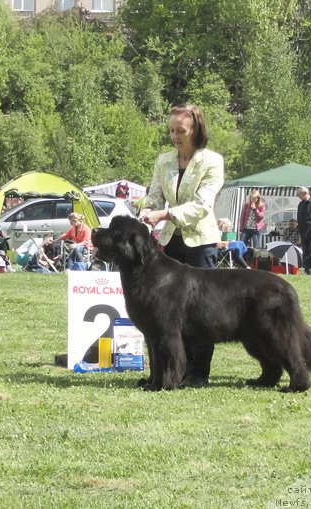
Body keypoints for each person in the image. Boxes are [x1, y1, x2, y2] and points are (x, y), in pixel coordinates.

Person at [139, 103, 224, 388]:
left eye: (181, 131)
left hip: (201, 242)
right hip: (171, 243)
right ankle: (179, 369)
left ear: (195, 129)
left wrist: (164, 214)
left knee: (202, 309)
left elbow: (202, 205)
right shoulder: (163, 160)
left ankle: (199, 372)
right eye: (171, 130)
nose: (175, 136)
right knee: (173, 312)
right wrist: (146, 216)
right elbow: (153, 197)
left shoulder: (212, 161)